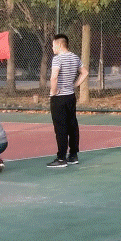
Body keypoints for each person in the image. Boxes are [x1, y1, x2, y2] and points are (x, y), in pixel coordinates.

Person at [47, 33, 82, 169]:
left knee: (60, 128)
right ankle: (73, 155)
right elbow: (84, 72)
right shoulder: (75, 57)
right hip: (70, 97)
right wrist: (75, 85)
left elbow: (54, 77)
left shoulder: (57, 59)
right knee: (72, 126)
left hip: (59, 98)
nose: (52, 48)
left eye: (53, 45)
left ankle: (61, 158)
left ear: (60, 45)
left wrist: (54, 91)